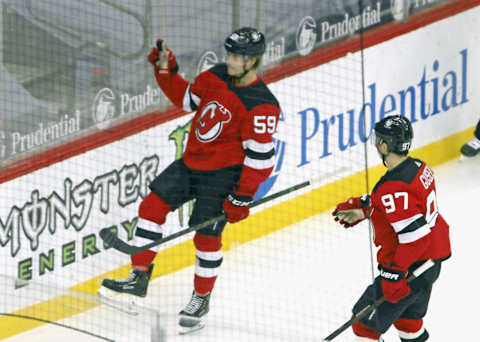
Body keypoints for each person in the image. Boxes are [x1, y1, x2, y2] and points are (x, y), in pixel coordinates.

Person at [99, 27, 280, 334]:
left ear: (253, 60)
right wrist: (166, 71)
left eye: (237, 56)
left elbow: (260, 160)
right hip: (191, 163)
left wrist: (242, 197)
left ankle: (201, 297)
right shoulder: (216, 75)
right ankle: (139, 276)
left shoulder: (262, 104)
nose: (231, 61)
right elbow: (186, 100)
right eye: (230, 54)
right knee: (152, 207)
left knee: (206, 237)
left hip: (224, 176)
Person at [332, 115, 451, 342]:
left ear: (385, 145)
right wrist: (366, 208)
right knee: (408, 323)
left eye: (378, 140)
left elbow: (414, 237)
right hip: (428, 265)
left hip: (410, 269)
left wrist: (393, 274)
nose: (377, 145)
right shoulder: (418, 167)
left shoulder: (394, 188)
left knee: (364, 327)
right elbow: (403, 205)